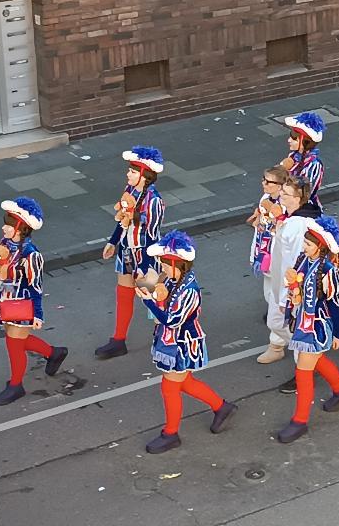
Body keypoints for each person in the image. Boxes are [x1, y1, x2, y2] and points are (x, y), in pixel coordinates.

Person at [138, 230, 238, 454]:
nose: (162, 268)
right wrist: (153, 291)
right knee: (184, 382)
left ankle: (171, 434)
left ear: (178, 264)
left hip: (182, 343)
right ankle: (222, 407)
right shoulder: (174, 280)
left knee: (170, 386)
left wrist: (148, 301)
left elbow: (172, 320)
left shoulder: (189, 290)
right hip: (173, 340)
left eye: (165, 264)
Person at [0, 197, 68, 405]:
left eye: (8, 225)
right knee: (15, 339)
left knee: (14, 344)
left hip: (22, 303)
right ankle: (54, 353)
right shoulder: (3, 245)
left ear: (20, 227)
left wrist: (38, 314)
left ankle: (16, 385)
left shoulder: (31, 255)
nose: (3, 228)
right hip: (5, 300)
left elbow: (36, 286)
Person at [276, 215, 339, 443]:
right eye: (304, 242)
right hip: (302, 320)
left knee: (303, 370)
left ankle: (300, 421)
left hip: (317, 325)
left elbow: (333, 303)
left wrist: (337, 333)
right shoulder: (303, 260)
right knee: (316, 360)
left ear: (320, 246)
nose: (304, 246)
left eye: (308, 244)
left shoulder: (328, 270)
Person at [96, 147, 166, 360]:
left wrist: (144, 267)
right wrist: (113, 241)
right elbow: (123, 220)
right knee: (124, 293)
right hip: (126, 251)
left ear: (145, 175)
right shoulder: (130, 190)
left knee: (153, 298)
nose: (128, 174)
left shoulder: (154, 201)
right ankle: (118, 340)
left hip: (146, 256)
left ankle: (164, 337)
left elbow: (151, 236)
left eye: (133, 171)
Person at [258, 177, 320, 373]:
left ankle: (305, 366)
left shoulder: (298, 225)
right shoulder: (289, 217)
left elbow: (294, 261)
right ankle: (308, 356)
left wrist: (289, 294)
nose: (281, 196)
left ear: (298, 198)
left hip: (291, 289)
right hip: (280, 284)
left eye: (286, 193)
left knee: (291, 326)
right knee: (274, 322)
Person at [281, 112, 327, 208]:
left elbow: (306, 193)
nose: (289, 140)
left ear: (305, 142)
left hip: (302, 209)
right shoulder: (293, 156)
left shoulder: (314, 165)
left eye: (294, 138)